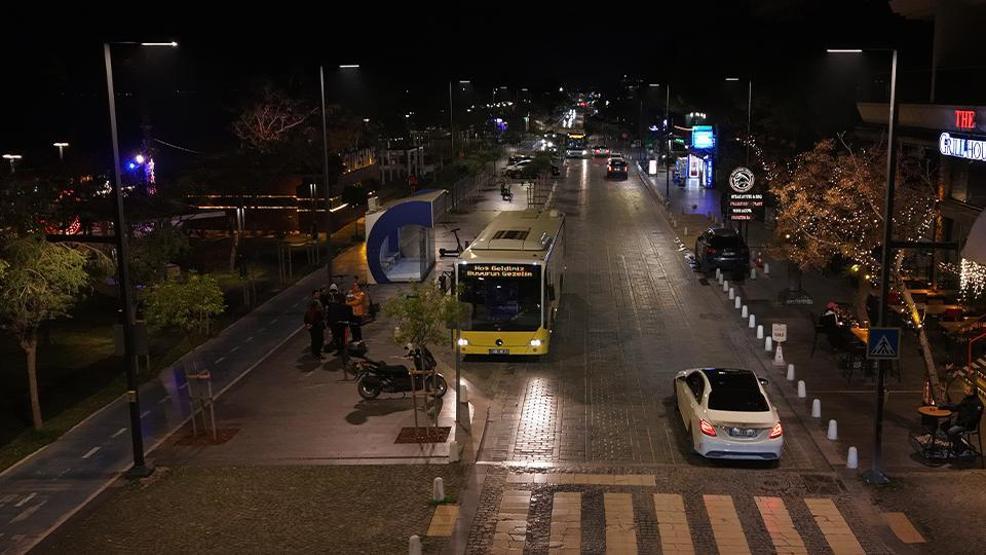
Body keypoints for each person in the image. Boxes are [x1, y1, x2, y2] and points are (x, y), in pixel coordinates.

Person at [941, 383, 984, 456]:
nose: (964, 391)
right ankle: (959, 444)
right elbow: (958, 407)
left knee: (951, 431)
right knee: (944, 426)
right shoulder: (966, 399)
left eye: (967, 390)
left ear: (972, 392)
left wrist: (960, 423)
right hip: (960, 422)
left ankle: (960, 446)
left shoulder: (978, 404)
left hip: (968, 425)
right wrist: (946, 407)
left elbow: (973, 418)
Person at [325, 283, 348, 355]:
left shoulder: (340, 298)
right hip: (334, 323)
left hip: (340, 322)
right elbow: (329, 313)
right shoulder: (329, 299)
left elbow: (344, 311)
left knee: (342, 337)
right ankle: (339, 349)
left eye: (334, 291)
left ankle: (343, 349)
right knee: (336, 337)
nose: (333, 292)